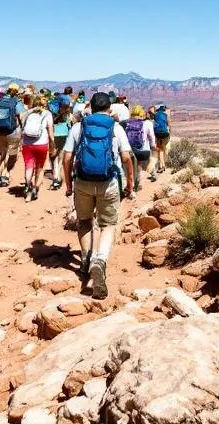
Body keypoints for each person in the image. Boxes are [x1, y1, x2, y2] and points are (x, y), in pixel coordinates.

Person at [63, 92, 135, 299]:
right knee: (108, 225)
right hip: (109, 183)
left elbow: (67, 157)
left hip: (83, 182)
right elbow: (126, 157)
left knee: (85, 221)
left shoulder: (79, 127)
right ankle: (100, 260)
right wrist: (130, 183)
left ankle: (86, 258)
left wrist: (68, 184)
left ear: (90, 108)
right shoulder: (115, 127)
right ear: (109, 109)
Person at [20, 95, 54, 201]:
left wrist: (20, 142)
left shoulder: (27, 113)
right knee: (39, 168)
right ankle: (35, 189)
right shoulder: (47, 114)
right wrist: (53, 144)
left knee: (28, 166)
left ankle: (28, 187)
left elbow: (22, 129)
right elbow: (50, 132)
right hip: (42, 144)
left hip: (27, 144)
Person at [0, 86, 21, 187]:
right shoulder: (16, 101)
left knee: (3, 153)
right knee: (12, 154)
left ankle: (1, 174)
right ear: (17, 92)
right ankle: (5, 174)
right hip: (12, 131)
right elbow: (21, 116)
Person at [124, 105, 157, 185]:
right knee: (148, 160)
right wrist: (153, 146)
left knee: (136, 163)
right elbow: (152, 137)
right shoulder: (147, 123)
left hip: (131, 151)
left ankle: (135, 181)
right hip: (144, 152)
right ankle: (153, 174)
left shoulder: (126, 124)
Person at [50, 103, 72, 191]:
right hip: (64, 135)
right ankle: (57, 176)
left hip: (54, 135)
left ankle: (56, 176)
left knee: (54, 157)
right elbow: (70, 126)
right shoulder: (68, 115)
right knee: (61, 157)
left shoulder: (53, 115)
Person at [153, 103, 172, 172]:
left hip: (157, 133)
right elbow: (168, 124)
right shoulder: (165, 115)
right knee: (162, 148)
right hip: (165, 133)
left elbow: (154, 123)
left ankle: (161, 165)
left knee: (160, 149)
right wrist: (170, 131)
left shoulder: (155, 115)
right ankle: (162, 165)